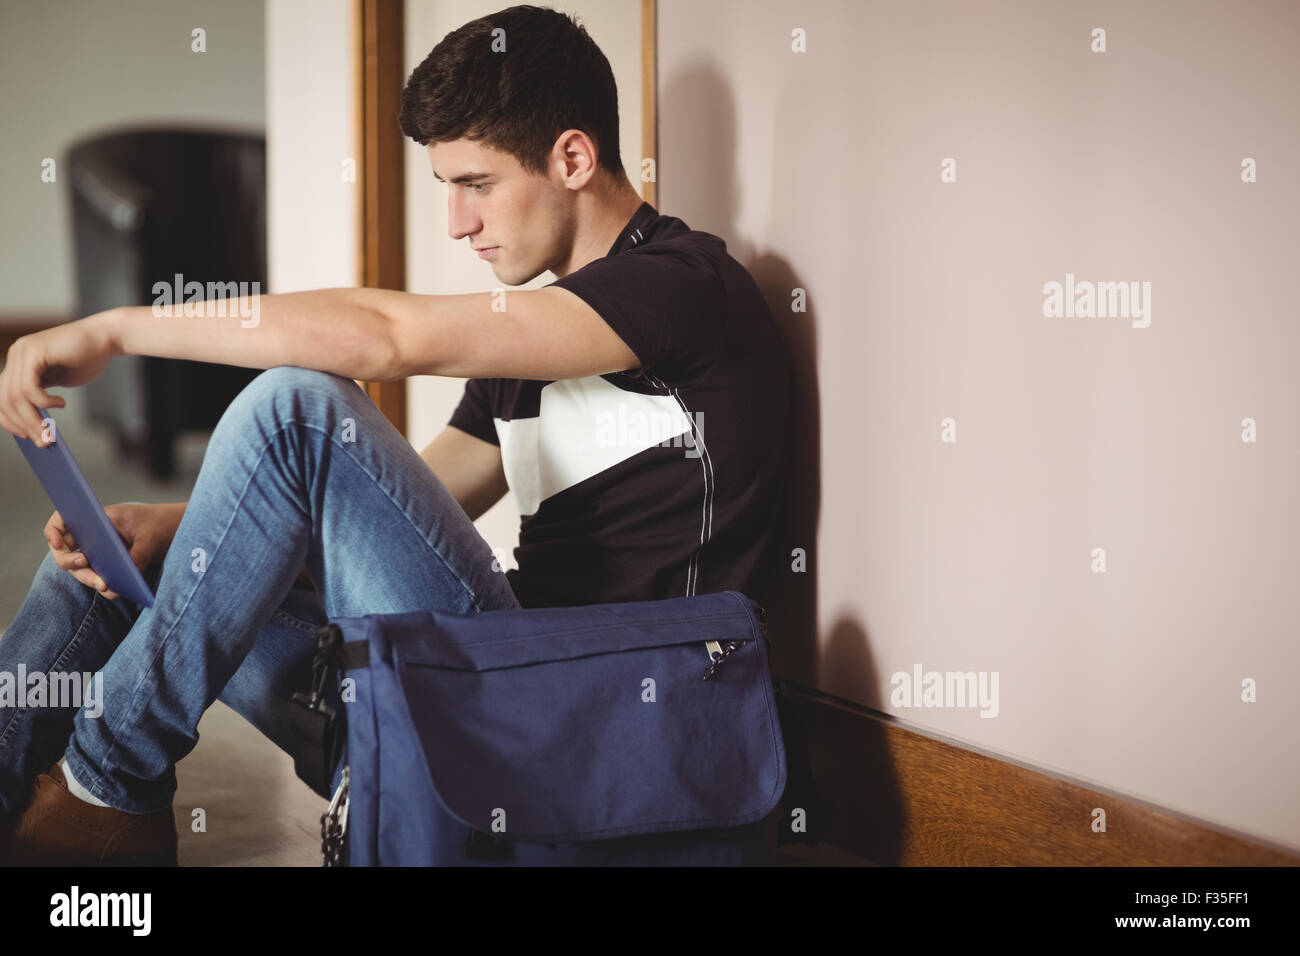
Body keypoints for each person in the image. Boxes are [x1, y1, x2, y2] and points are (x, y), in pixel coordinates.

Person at [0, 4, 792, 866]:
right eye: (445, 188)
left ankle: (106, 788)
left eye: (476, 185)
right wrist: (184, 523)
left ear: (572, 157)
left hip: (595, 728)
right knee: (123, 559)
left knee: (295, 405)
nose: (456, 223)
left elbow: (385, 335)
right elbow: (410, 495)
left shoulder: (683, 286)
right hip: (479, 703)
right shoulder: (533, 334)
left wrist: (115, 332)